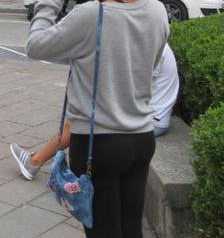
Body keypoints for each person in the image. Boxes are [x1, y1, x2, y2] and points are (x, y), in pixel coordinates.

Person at [26, 0, 169, 238]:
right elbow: (148, 64)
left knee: (102, 231)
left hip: (98, 143)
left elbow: (36, 45)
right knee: (131, 228)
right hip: (141, 138)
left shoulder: (91, 15)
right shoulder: (158, 12)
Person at [10, 44, 180, 181]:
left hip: (152, 121)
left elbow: (129, 90)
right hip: (149, 115)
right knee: (82, 115)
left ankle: (34, 162)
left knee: (79, 121)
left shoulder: (152, 46)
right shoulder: (148, 38)